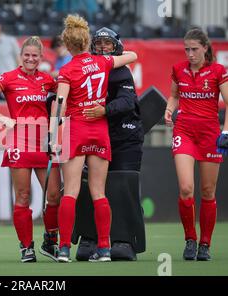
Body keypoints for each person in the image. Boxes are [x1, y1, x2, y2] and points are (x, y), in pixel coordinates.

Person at [50, 14, 137, 263]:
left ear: (67, 45)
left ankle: (65, 248)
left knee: (71, 192)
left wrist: (53, 136)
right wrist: (111, 59)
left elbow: (60, 104)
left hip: (77, 130)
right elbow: (132, 56)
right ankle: (105, 249)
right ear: (87, 41)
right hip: (99, 131)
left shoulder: (67, 70)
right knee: (99, 192)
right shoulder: (103, 62)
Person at [0, 36, 62, 263]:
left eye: (35, 55)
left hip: (44, 143)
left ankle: (50, 241)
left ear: (41, 58)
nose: (31, 59)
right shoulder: (9, 78)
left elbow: (64, 98)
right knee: (23, 196)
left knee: (54, 194)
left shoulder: (47, 80)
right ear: (20, 57)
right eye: (27, 55)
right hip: (19, 143)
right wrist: (2, 118)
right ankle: (26, 247)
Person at [73, 27, 145, 261]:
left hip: (124, 137)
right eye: (99, 43)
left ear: (117, 48)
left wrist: (104, 110)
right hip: (95, 135)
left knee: (122, 184)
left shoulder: (121, 72)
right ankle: (89, 238)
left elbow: (126, 101)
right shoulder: (85, 70)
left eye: (108, 44)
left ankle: (124, 240)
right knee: (87, 185)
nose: (103, 48)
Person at [165, 28, 228, 261]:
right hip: (184, 130)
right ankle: (190, 239)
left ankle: (205, 244)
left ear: (205, 48)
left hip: (209, 134)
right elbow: (174, 95)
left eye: (195, 49)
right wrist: (169, 109)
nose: (190, 54)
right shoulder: (178, 69)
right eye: (187, 49)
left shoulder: (218, 71)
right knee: (186, 188)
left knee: (207, 191)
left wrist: (226, 131)